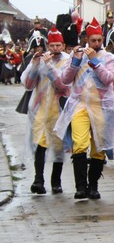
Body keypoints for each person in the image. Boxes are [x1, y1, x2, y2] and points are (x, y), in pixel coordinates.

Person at [54, 17, 114, 199]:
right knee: (80, 144)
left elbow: (108, 79)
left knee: (99, 147)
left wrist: (95, 62)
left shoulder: (109, 58)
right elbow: (65, 80)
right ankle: (81, 187)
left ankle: (93, 186)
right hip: (80, 105)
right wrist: (75, 62)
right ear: (87, 40)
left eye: (99, 40)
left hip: (102, 106)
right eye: (93, 40)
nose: (96, 44)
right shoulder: (77, 55)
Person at [21, 27, 70, 194]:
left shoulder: (67, 61)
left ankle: (56, 182)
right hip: (40, 109)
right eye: (52, 45)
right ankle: (38, 180)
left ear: (63, 46)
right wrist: (35, 65)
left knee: (58, 147)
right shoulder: (40, 60)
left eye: (58, 45)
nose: (55, 49)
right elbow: (28, 85)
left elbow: (62, 85)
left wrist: (49, 66)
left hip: (59, 110)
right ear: (48, 46)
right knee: (40, 144)